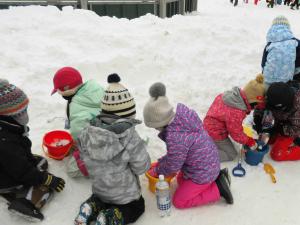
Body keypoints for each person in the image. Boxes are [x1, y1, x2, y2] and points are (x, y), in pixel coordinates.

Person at [74, 74, 151, 225]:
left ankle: (91, 206)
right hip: (125, 194)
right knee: (137, 207)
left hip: (100, 189)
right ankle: (109, 218)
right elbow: (142, 166)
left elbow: (82, 157)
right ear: (129, 113)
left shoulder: (87, 132)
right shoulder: (129, 136)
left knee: (102, 199)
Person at [143, 82, 233, 209]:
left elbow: (173, 165)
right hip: (207, 163)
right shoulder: (183, 120)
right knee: (180, 181)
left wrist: (158, 170)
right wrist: (162, 162)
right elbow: (175, 156)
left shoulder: (176, 137)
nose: (156, 130)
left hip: (203, 173)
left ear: (160, 123)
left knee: (179, 201)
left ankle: (218, 189)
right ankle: (215, 179)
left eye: (155, 127)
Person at [0, 80, 65, 221]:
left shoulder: (8, 128)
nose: (24, 116)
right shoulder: (4, 141)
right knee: (45, 185)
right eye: (18, 114)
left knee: (40, 162)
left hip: (8, 163)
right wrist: (46, 179)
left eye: (25, 110)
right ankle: (26, 203)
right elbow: (21, 169)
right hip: (5, 176)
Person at [51, 67, 104, 177]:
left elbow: (78, 133)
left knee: (72, 170)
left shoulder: (77, 109)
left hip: (103, 144)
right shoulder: (94, 88)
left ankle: (105, 166)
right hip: (113, 129)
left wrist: (76, 143)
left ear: (66, 91)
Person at [203, 74, 265, 162]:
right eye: (256, 104)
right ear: (252, 100)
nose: (255, 108)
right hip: (215, 133)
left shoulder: (231, 97)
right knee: (231, 155)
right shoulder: (236, 111)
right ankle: (203, 155)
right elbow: (236, 134)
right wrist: (249, 141)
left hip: (209, 124)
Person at [264, 82, 300, 161]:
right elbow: (269, 110)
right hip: (284, 123)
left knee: (277, 155)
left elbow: (296, 129)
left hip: (295, 130)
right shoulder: (277, 98)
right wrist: (267, 125)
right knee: (268, 140)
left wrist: (281, 129)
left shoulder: (297, 108)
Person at [261, 16, 298, 89]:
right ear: (287, 28)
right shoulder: (296, 43)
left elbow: (263, 65)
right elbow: (298, 66)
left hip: (268, 83)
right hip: (287, 84)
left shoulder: (270, 44)